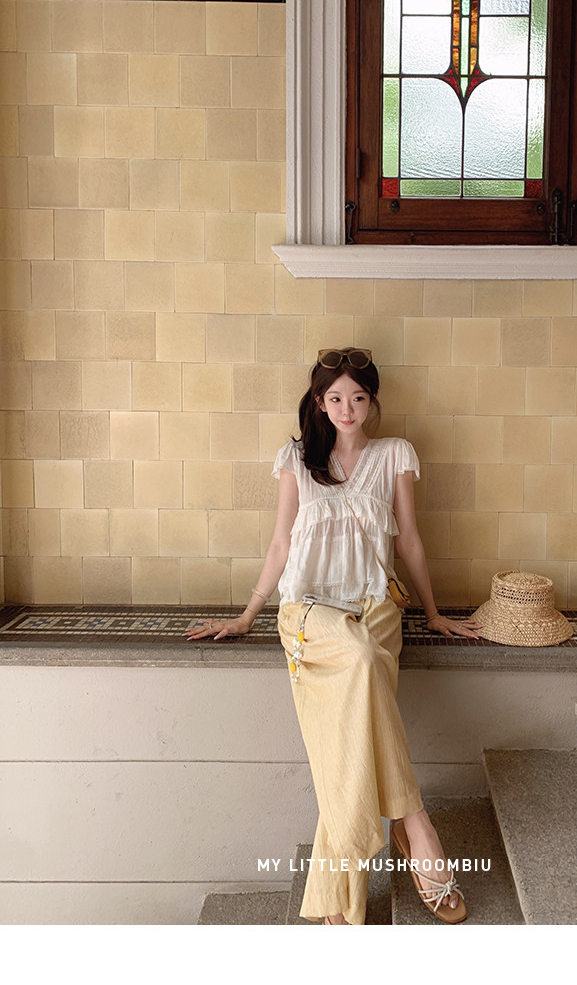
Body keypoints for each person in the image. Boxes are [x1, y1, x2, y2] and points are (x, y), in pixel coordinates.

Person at [186, 348, 482, 926]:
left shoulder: (395, 455)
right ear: (320, 403)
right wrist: (247, 615)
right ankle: (414, 822)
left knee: (357, 699)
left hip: (375, 605)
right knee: (362, 659)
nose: (348, 408)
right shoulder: (296, 460)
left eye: (359, 397)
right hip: (310, 612)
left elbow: (410, 540)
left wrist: (433, 612)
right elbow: (280, 543)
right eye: (336, 398)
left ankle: (341, 900)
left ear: (372, 402)